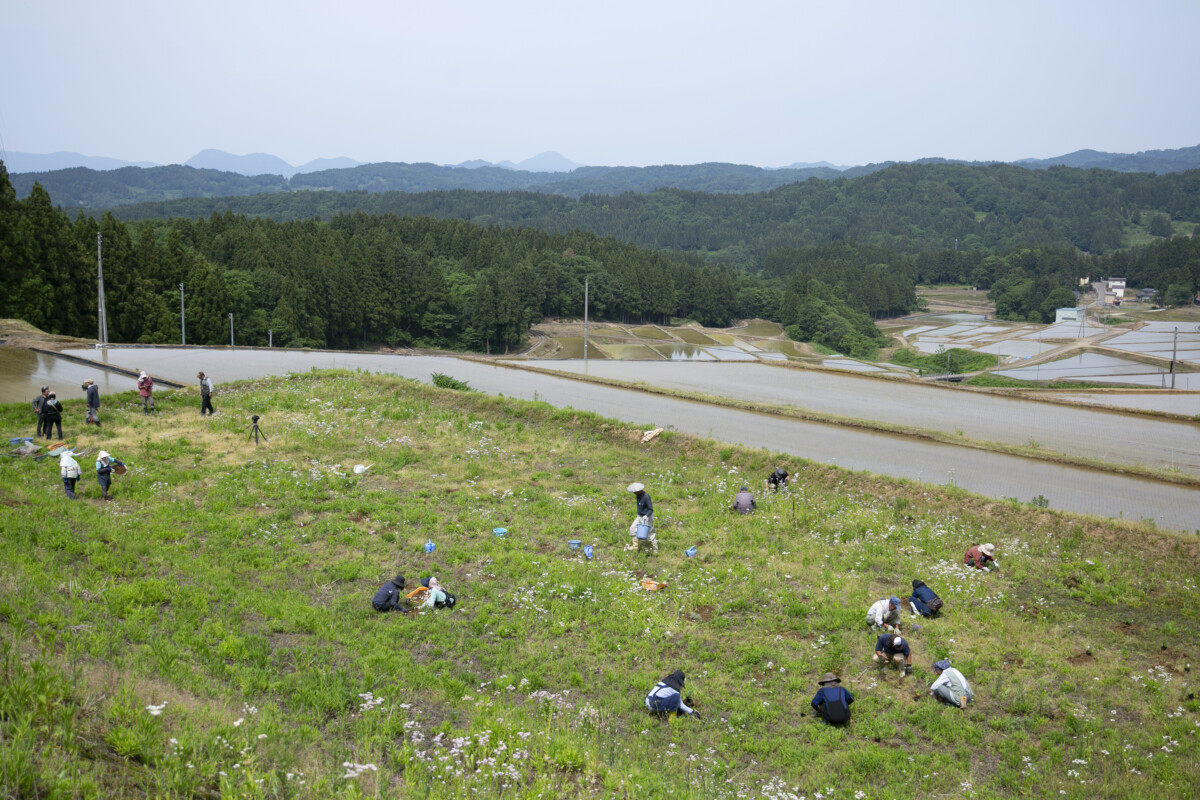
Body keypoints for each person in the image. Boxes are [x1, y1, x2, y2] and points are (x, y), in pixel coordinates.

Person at [626, 482, 657, 552]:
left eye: (635, 491)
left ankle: (655, 549)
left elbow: (651, 509)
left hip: (647, 517)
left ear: (639, 490)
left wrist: (646, 516)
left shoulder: (646, 497)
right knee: (632, 529)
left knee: (650, 533)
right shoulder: (638, 496)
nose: (634, 493)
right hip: (639, 516)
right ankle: (635, 546)